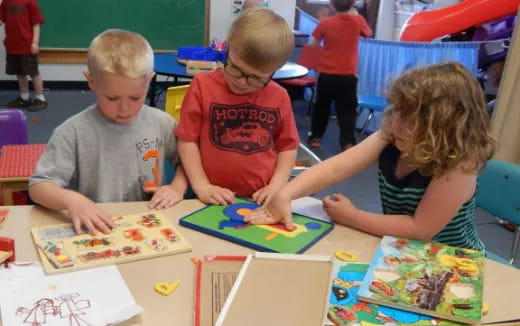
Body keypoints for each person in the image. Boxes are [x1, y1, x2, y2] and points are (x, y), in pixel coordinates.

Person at [246, 62, 497, 251]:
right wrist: (286, 194)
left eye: (409, 121)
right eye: (397, 112)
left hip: (452, 261)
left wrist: (353, 217)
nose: (395, 125)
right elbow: (335, 168)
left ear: (443, 128)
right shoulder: (392, 136)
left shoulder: (459, 164)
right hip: (402, 249)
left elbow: (420, 229)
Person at [29, 29, 188, 235]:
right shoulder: (72, 132)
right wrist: (72, 200)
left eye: (135, 98)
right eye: (112, 98)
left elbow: (188, 162)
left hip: (150, 225)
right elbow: (39, 186)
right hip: (98, 228)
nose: (125, 110)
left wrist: (177, 187)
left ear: (150, 80)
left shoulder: (162, 122)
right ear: (91, 81)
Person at [176, 8, 299, 206]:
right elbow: (187, 141)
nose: (242, 82)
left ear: (273, 73)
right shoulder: (202, 85)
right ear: (226, 51)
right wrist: (201, 186)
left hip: (259, 200)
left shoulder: (279, 96)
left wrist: (276, 186)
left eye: (257, 78)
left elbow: (288, 147)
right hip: (208, 198)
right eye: (235, 69)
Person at [307, 0, 372, 151]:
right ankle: (347, 143)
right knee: (348, 111)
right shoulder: (358, 21)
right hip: (348, 75)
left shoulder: (325, 23)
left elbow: (314, 45)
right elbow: (368, 33)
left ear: (331, 4)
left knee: (321, 108)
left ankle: (316, 138)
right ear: (353, 4)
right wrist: (355, 15)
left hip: (327, 74)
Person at [0, 0, 47, 112]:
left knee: (33, 73)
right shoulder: (5, 2)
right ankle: (24, 98)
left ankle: (41, 99)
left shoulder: (30, 2)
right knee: (19, 72)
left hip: (27, 45)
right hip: (12, 45)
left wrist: (35, 42)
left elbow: (36, 24)